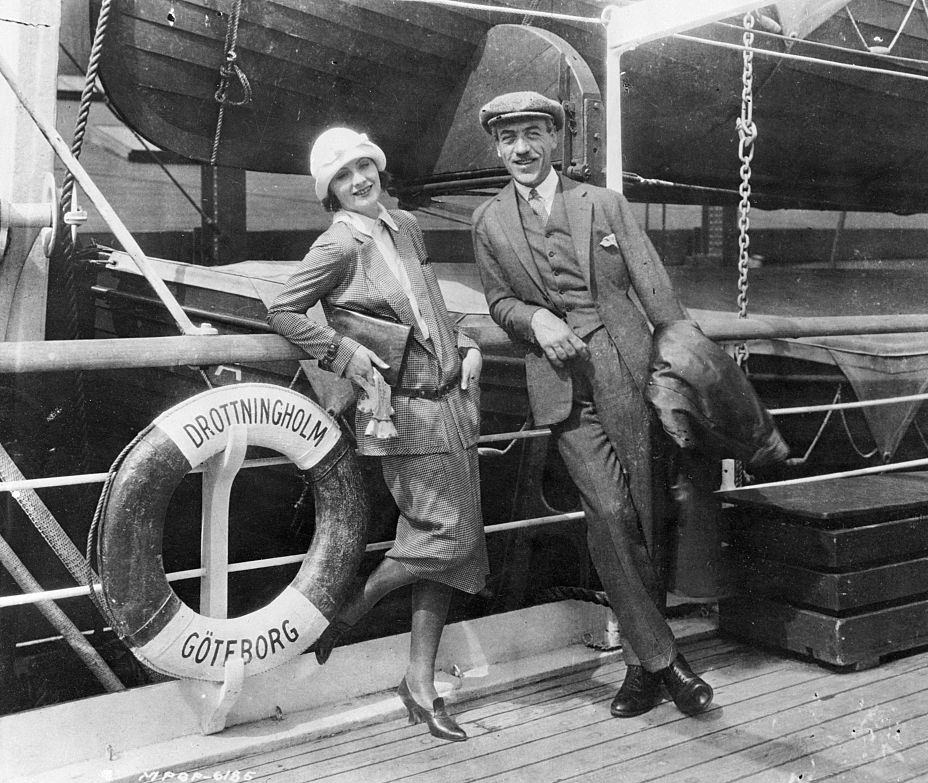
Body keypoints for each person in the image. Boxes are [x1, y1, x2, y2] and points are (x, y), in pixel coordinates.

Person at [471, 91, 714, 719]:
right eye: (507, 138)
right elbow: (498, 303)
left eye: (531, 134)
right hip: (560, 384)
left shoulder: (602, 203)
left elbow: (655, 289)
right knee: (608, 511)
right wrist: (535, 320)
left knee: (648, 513)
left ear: (555, 139)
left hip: (628, 368)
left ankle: (640, 667)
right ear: (496, 146)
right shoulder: (488, 222)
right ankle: (667, 661)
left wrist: (684, 372)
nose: (519, 149)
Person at [267, 127, 487, 742]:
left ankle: (419, 682)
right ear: (330, 191)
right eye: (344, 176)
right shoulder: (335, 247)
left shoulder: (405, 226)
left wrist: (466, 342)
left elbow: (429, 305)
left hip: (452, 401)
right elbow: (281, 308)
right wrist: (344, 356)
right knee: (449, 537)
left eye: (365, 166)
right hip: (402, 410)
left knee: (453, 548)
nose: (359, 180)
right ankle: (349, 608)